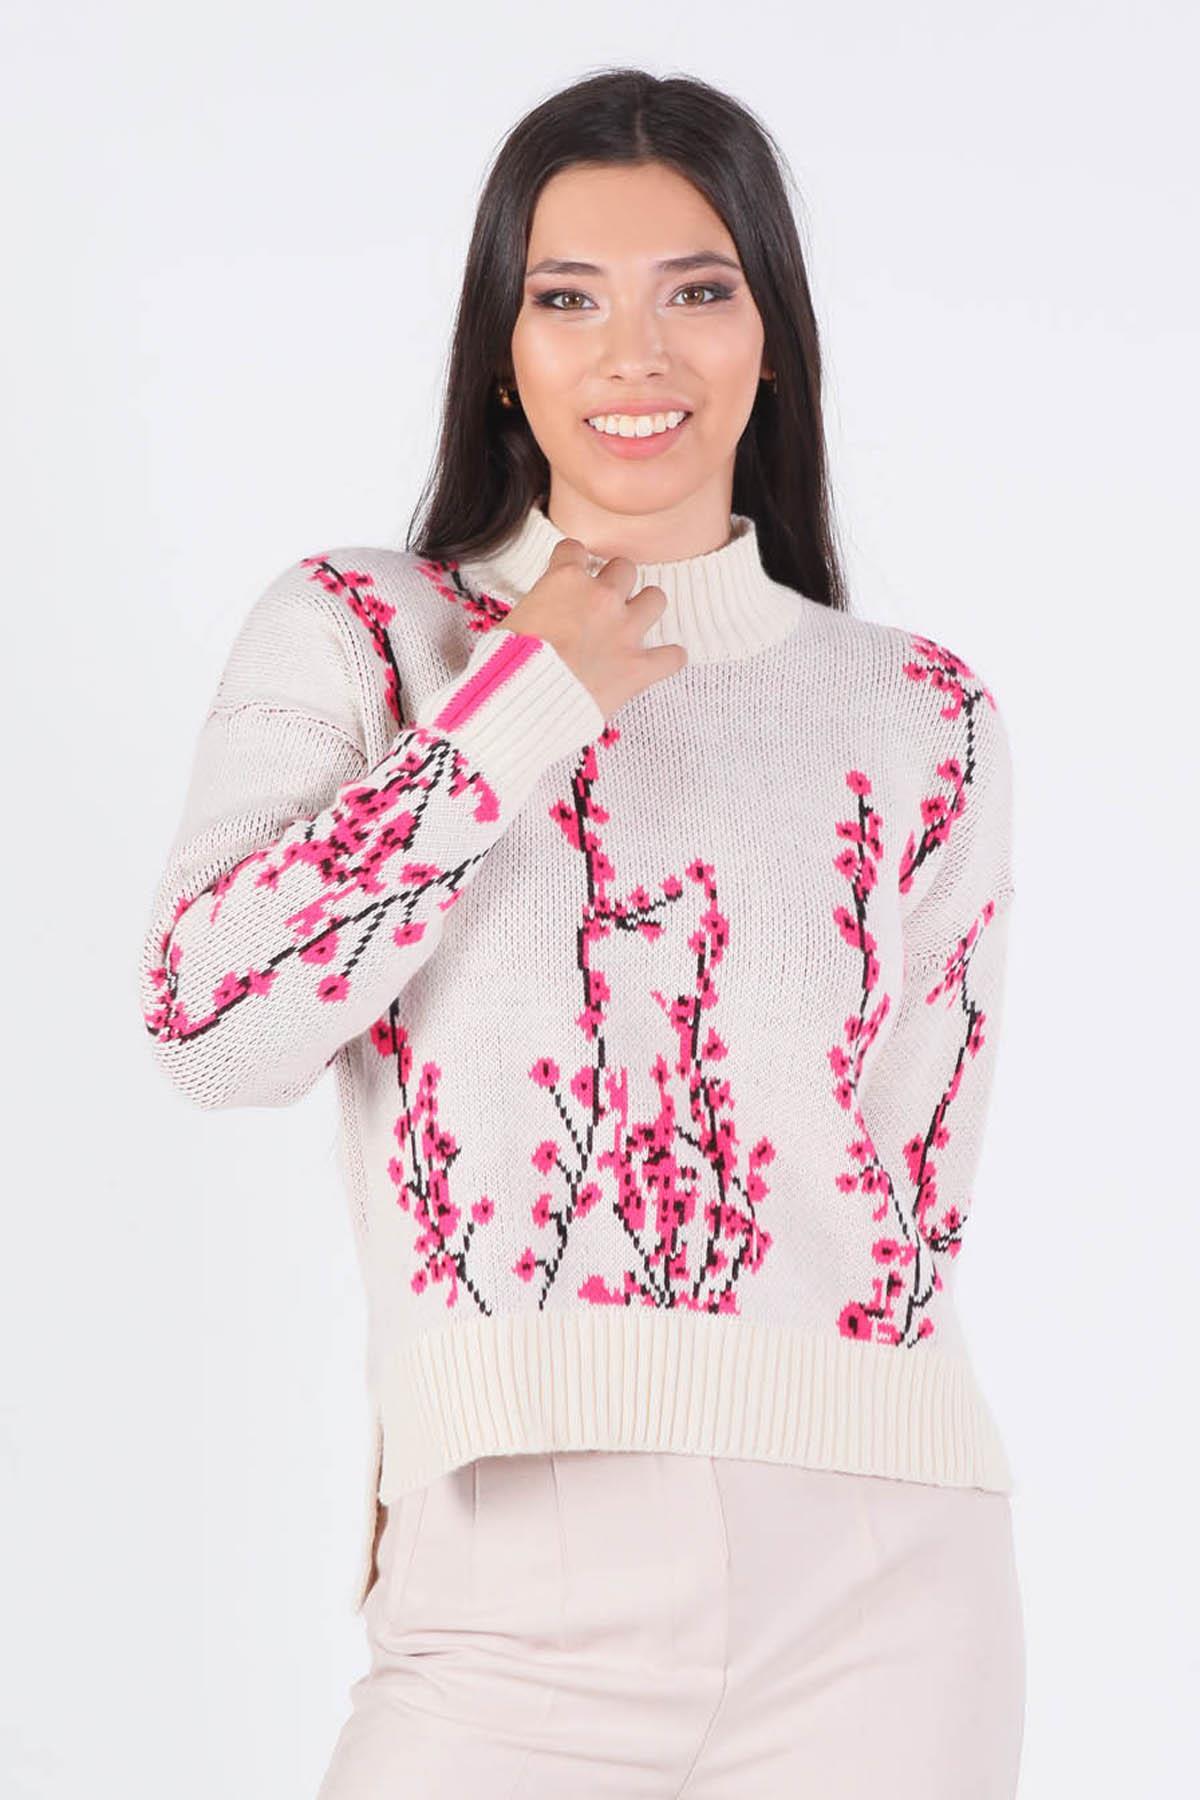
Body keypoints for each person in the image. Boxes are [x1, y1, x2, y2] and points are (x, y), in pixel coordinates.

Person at [138, 66, 1025, 1800]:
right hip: (502, 1602)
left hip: (882, 1588)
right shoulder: (366, 634)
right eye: (568, 299)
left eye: (698, 291)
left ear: (772, 340)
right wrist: (521, 705)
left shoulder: (924, 712)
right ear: (501, 350)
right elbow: (210, 1026)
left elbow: (915, 1187)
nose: (637, 355)